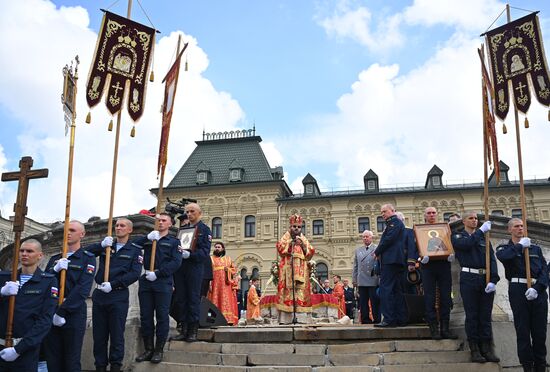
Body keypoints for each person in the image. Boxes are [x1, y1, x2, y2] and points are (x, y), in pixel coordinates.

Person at [87, 218, 142, 372]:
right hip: (100, 295)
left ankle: (116, 366)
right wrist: (101, 245)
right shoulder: (107, 245)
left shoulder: (134, 250)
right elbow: (85, 253)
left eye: (122, 226)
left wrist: (114, 284)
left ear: (130, 230)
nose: (118, 228)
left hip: (118, 295)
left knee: (117, 334)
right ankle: (100, 366)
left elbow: (135, 273)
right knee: (99, 335)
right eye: (117, 225)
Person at [496, 218, 548, 372]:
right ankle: (527, 366)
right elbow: (503, 257)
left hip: (537, 291)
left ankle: (541, 366)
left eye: (522, 226)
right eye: (516, 226)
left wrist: (538, 288)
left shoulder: (535, 249)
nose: (520, 229)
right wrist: (519, 246)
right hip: (518, 289)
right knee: (523, 331)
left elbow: (545, 271)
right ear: (509, 230)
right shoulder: (505, 248)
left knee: (539, 333)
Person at [43, 220, 96, 372]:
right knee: (52, 360)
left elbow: (82, 289)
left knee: (71, 361)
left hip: (73, 313)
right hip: (52, 312)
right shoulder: (55, 259)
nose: (68, 233)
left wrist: (63, 311)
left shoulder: (87, 258)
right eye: (66, 229)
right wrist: (55, 270)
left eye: (72, 230)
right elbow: (45, 283)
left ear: (82, 234)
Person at [0, 239, 57, 371]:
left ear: (40, 256)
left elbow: (45, 320)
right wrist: (1, 292)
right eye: (22, 250)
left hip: (26, 351)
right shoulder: (5, 278)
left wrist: (18, 350)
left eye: (29, 251)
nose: (24, 254)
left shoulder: (48, 281)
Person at [452, 212, 500, 363]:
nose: (474, 221)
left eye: (476, 219)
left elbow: (491, 259)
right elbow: (466, 245)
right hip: (469, 278)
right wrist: (480, 231)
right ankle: (475, 349)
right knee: (472, 316)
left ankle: (486, 348)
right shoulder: (458, 236)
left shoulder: (484, 239)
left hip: (485, 278)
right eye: (471, 218)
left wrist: (493, 279)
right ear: (464, 221)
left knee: (485, 316)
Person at [134, 213, 182, 363]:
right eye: (158, 220)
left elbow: (176, 262)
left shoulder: (174, 242)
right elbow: (132, 246)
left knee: (162, 316)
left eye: (163, 221)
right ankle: (148, 349)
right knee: (146, 316)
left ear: (170, 224)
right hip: (147, 281)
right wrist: (146, 238)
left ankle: (158, 350)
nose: (160, 223)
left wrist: (159, 273)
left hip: (163, 281)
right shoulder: (150, 238)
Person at [170, 203, 212, 342]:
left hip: (195, 267)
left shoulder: (204, 230)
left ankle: (193, 330)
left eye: (192, 211)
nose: (189, 214)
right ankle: (184, 328)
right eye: (187, 211)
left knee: (193, 298)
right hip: (181, 267)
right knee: (181, 298)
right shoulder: (183, 230)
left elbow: (205, 251)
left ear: (199, 213)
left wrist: (191, 255)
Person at [418, 207, 456, 339]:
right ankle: (433, 328)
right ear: (425, 215)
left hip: (444, 264)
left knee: (446, 296)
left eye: (434, 213)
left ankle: (445, 328)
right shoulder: (420, 231)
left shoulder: (443, 230)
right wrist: (421, 257)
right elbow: (416, 247)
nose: (432, 215)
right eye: (429, 213)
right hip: (428, 266)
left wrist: (451, 253)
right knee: (429, 297)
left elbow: (447, 244)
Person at [276, 214, 315, 324]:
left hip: (302, 271)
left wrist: (302, 245)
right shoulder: (286, 237)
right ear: (290, 227)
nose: (296, 229)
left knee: (300, 293)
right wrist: (291, 243)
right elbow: (280, 248)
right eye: (294, 226)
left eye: (298, 227)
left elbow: (311, 252)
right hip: (288, 269)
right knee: (287, 292)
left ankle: (301, 317)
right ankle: (286, 318)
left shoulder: (303, 238)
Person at [374, 204, 407, 327]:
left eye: (385, 211)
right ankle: (400, 318)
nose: (383, 214)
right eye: (381, 212)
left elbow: (388, 239)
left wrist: (377, 251)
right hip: (396, 260)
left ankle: (388, 319)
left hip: (391, 260)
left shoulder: (394, 223)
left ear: (392, 211)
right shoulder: (393, 223)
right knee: (396, 290)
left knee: (386, 289)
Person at [207, 242, 239, 325]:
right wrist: (209, 283)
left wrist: (227, 270)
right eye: (216, 247)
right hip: (215, 285)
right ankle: (213, 319)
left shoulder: (228, 259)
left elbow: (234, 270)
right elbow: (209, 272)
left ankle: (227, 319)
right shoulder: (211, 259)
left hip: (225, 285)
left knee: (226, 301)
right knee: (214, 301)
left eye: (219, 247)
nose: (217, 248)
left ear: (223, 249)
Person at [353, 230, 380, 324]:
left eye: (367, 236)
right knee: (363, 302)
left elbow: (379, 264)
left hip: (373, 279)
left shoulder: (377, 248)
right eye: (363, 237)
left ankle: (377, 319)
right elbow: (355, 266)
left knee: (374, 301)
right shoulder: (358, 250)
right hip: (362, 280)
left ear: (371, 237)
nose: (365, 238)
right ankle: (365, 319)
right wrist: (354, 280)